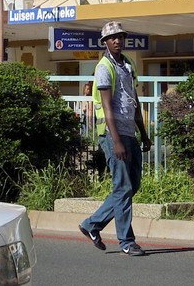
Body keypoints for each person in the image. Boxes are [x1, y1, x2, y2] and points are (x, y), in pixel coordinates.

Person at [78, 20, 149, 256]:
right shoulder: (103, 67)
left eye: (120, 36)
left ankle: (92, 224)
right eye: (112, 37)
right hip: (113, 134)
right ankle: (126, 241)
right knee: (122, 186)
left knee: (132, 185)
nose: (117, 40)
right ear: (106, 42)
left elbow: (134, 101)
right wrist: (116, 140)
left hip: (130, 132)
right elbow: (107, 106)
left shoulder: (128, 65)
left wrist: (144, 133)